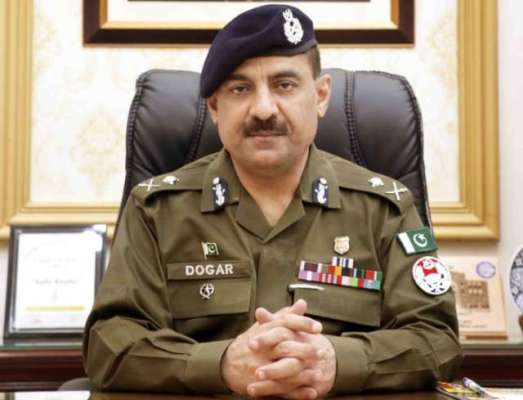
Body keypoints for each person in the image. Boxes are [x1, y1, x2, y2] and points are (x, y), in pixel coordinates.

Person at [83, 4, 462, 398]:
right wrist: (220, 364)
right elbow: (109, 343)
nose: (263, 109)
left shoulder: (386, 209)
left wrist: (338, 361)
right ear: (214, 107)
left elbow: (438, 340)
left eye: (284, 85)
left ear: (320, 96)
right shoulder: (156, 209)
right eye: (240, 89)